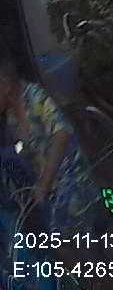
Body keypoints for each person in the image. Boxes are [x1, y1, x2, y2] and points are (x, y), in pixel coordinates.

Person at [0, 58, 96, 237]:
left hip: (71, 175)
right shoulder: (11, 118)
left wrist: (44, 183)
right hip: (52, 189)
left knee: (68, 235)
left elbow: (61, 132)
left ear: (5, 86)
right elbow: (25, 152)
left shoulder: (33, 95)